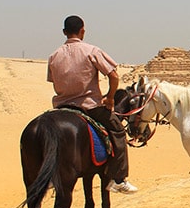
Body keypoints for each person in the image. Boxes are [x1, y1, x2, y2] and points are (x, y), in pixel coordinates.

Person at [47, 15, 138, 193]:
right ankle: (119, 179)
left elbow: (53, 81)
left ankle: (50, 176)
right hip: (89, 107)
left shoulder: (54, 56)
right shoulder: (91, 51)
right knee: (118, 131)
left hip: (61, 107)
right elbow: (114, 76)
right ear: (83, 31)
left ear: (64, 32)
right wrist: (110, 98)